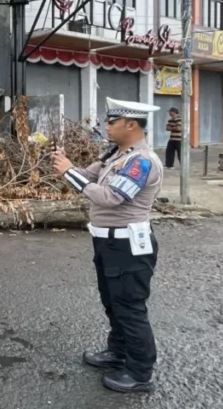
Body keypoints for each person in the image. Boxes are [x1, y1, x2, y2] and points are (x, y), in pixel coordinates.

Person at [51, 98, 163, 393]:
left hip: (128, 246)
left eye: (112, 122)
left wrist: (67, 172)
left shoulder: (141, 161)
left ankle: (140, 372)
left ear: (131, 124)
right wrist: (68, 166)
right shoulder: (117, 154)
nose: (106, 127)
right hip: (107, 243)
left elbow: (111, 197)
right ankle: (118, 351)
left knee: (129, 307)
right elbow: (89, 176)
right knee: (113, 303)